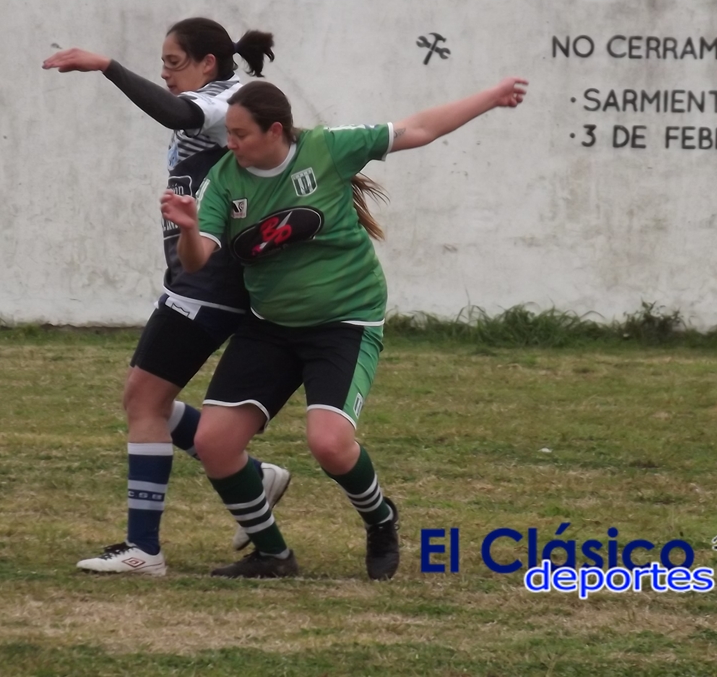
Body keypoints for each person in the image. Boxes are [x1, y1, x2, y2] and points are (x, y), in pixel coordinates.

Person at [160, 76, 528, 579]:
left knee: (329, 444)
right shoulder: (226, 178)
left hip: (344, 320)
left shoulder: (328, 148)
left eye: (241, 134)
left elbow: (417, 129)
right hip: (271, 324)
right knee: (214, 444)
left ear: (275, 131)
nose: (231, 144)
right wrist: (186, 228)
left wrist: (490, 97)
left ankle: (380, 519)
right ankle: (273, 555)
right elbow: (199, 258)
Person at [42, 18, 290, 575]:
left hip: (214, 281)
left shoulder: (230, 98)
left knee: (143, 401)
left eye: (174, 61)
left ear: (208, 63)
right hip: (197, 280)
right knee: (145, 401)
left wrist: (108, 66)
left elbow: (178, 113)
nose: (164, 72)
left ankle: (144, 550)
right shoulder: (214, 98)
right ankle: (253, 477)